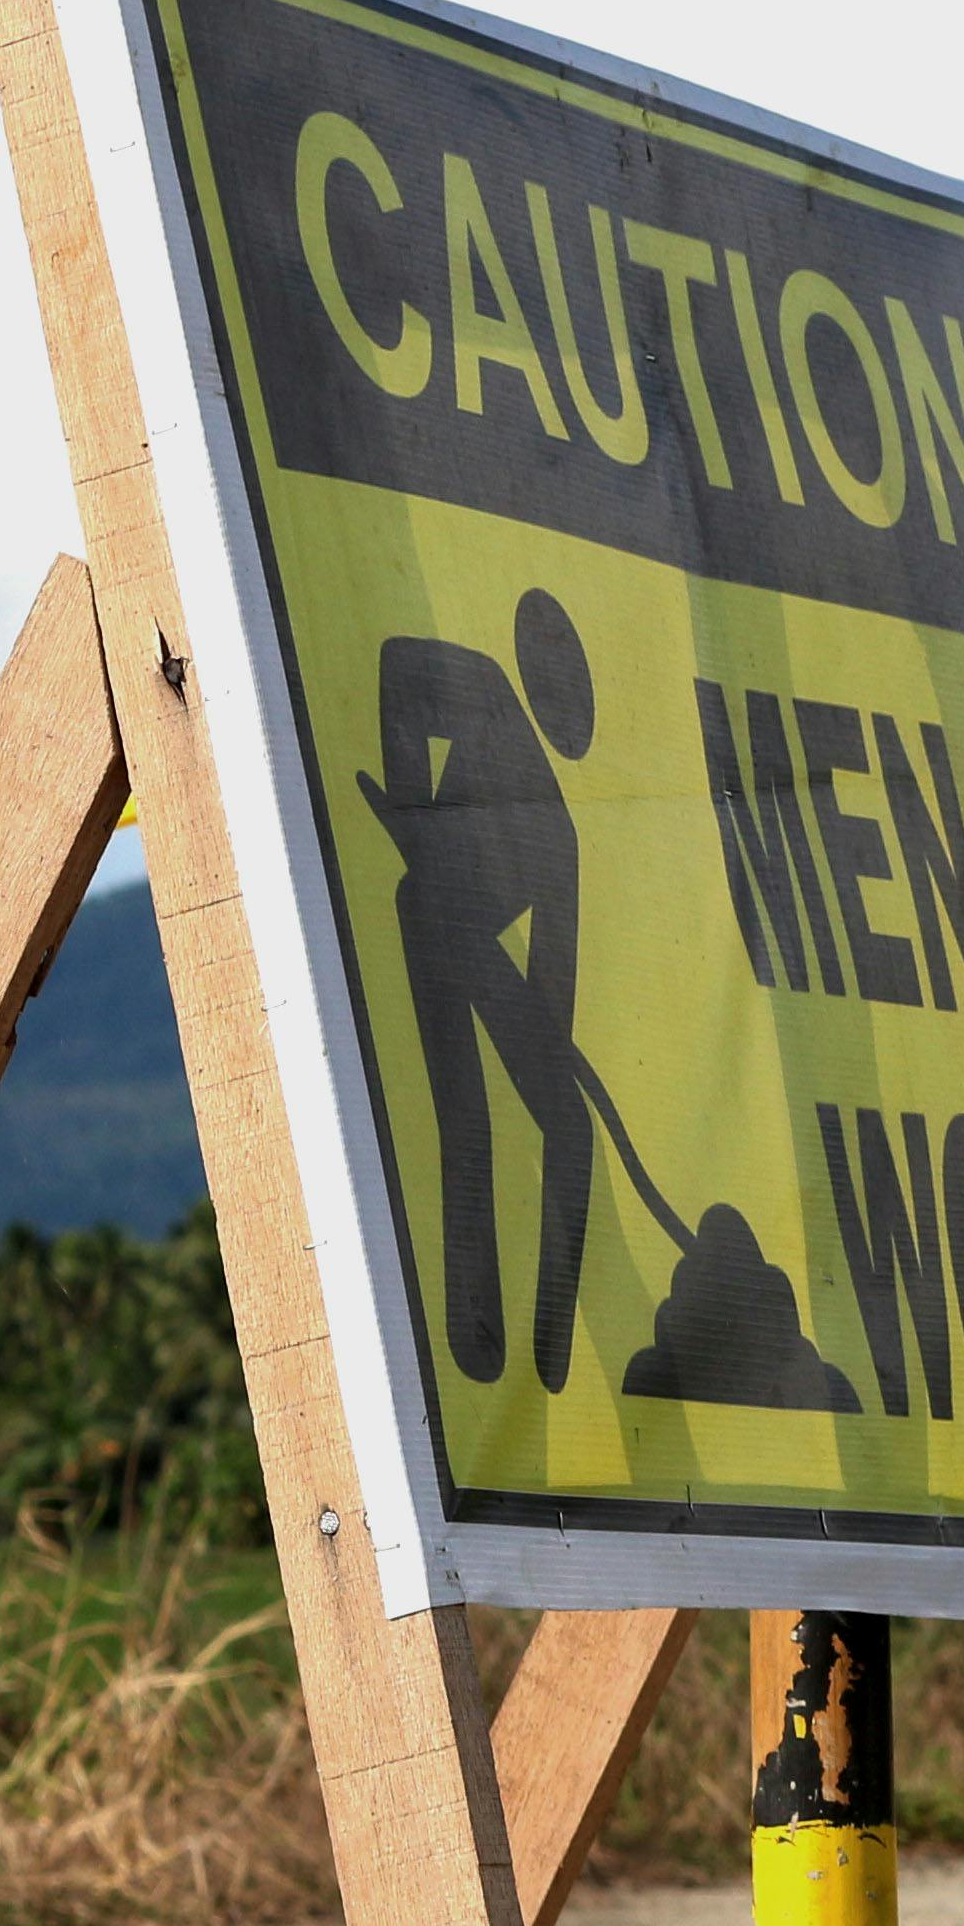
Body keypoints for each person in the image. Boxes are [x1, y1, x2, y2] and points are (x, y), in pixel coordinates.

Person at [350, 590, 603, 1390]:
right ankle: (477, 1332)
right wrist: (417, 813)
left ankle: (551, 1349)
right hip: (426, 913)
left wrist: (551, 1065)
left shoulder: (557, 836)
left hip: (475, 944)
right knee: (468, 1123)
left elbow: (552, 992)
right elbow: (397, 670)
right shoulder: (479, 682)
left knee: (571, 1131)